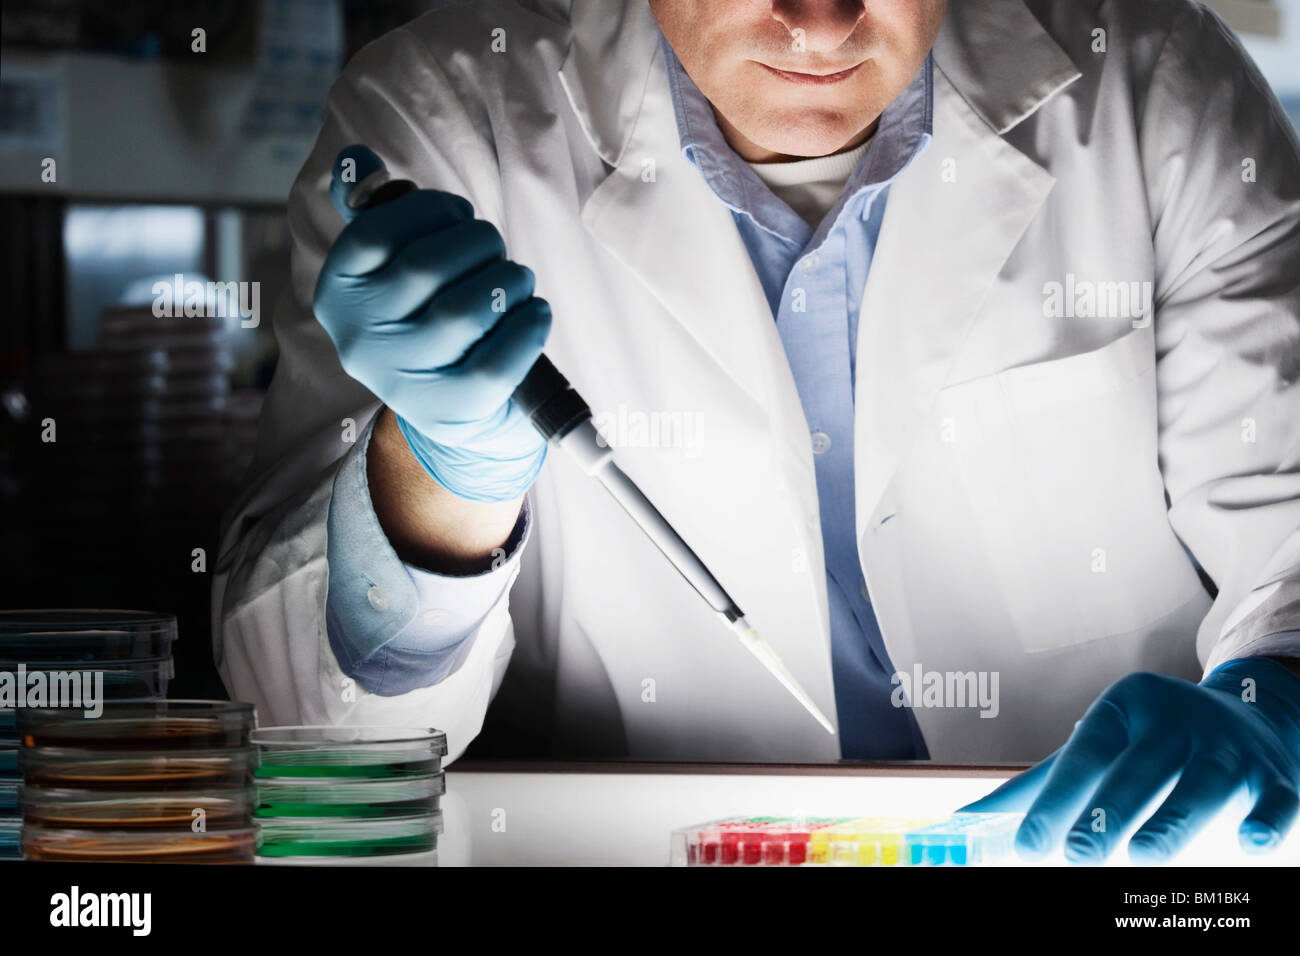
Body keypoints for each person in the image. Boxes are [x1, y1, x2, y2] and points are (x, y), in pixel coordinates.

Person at [213, 0, 1300, 863]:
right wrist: (442, 476)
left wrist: (1275, 698)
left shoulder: (1155, 86)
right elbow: (318, 744)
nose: (820, 22)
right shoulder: (445, 119)